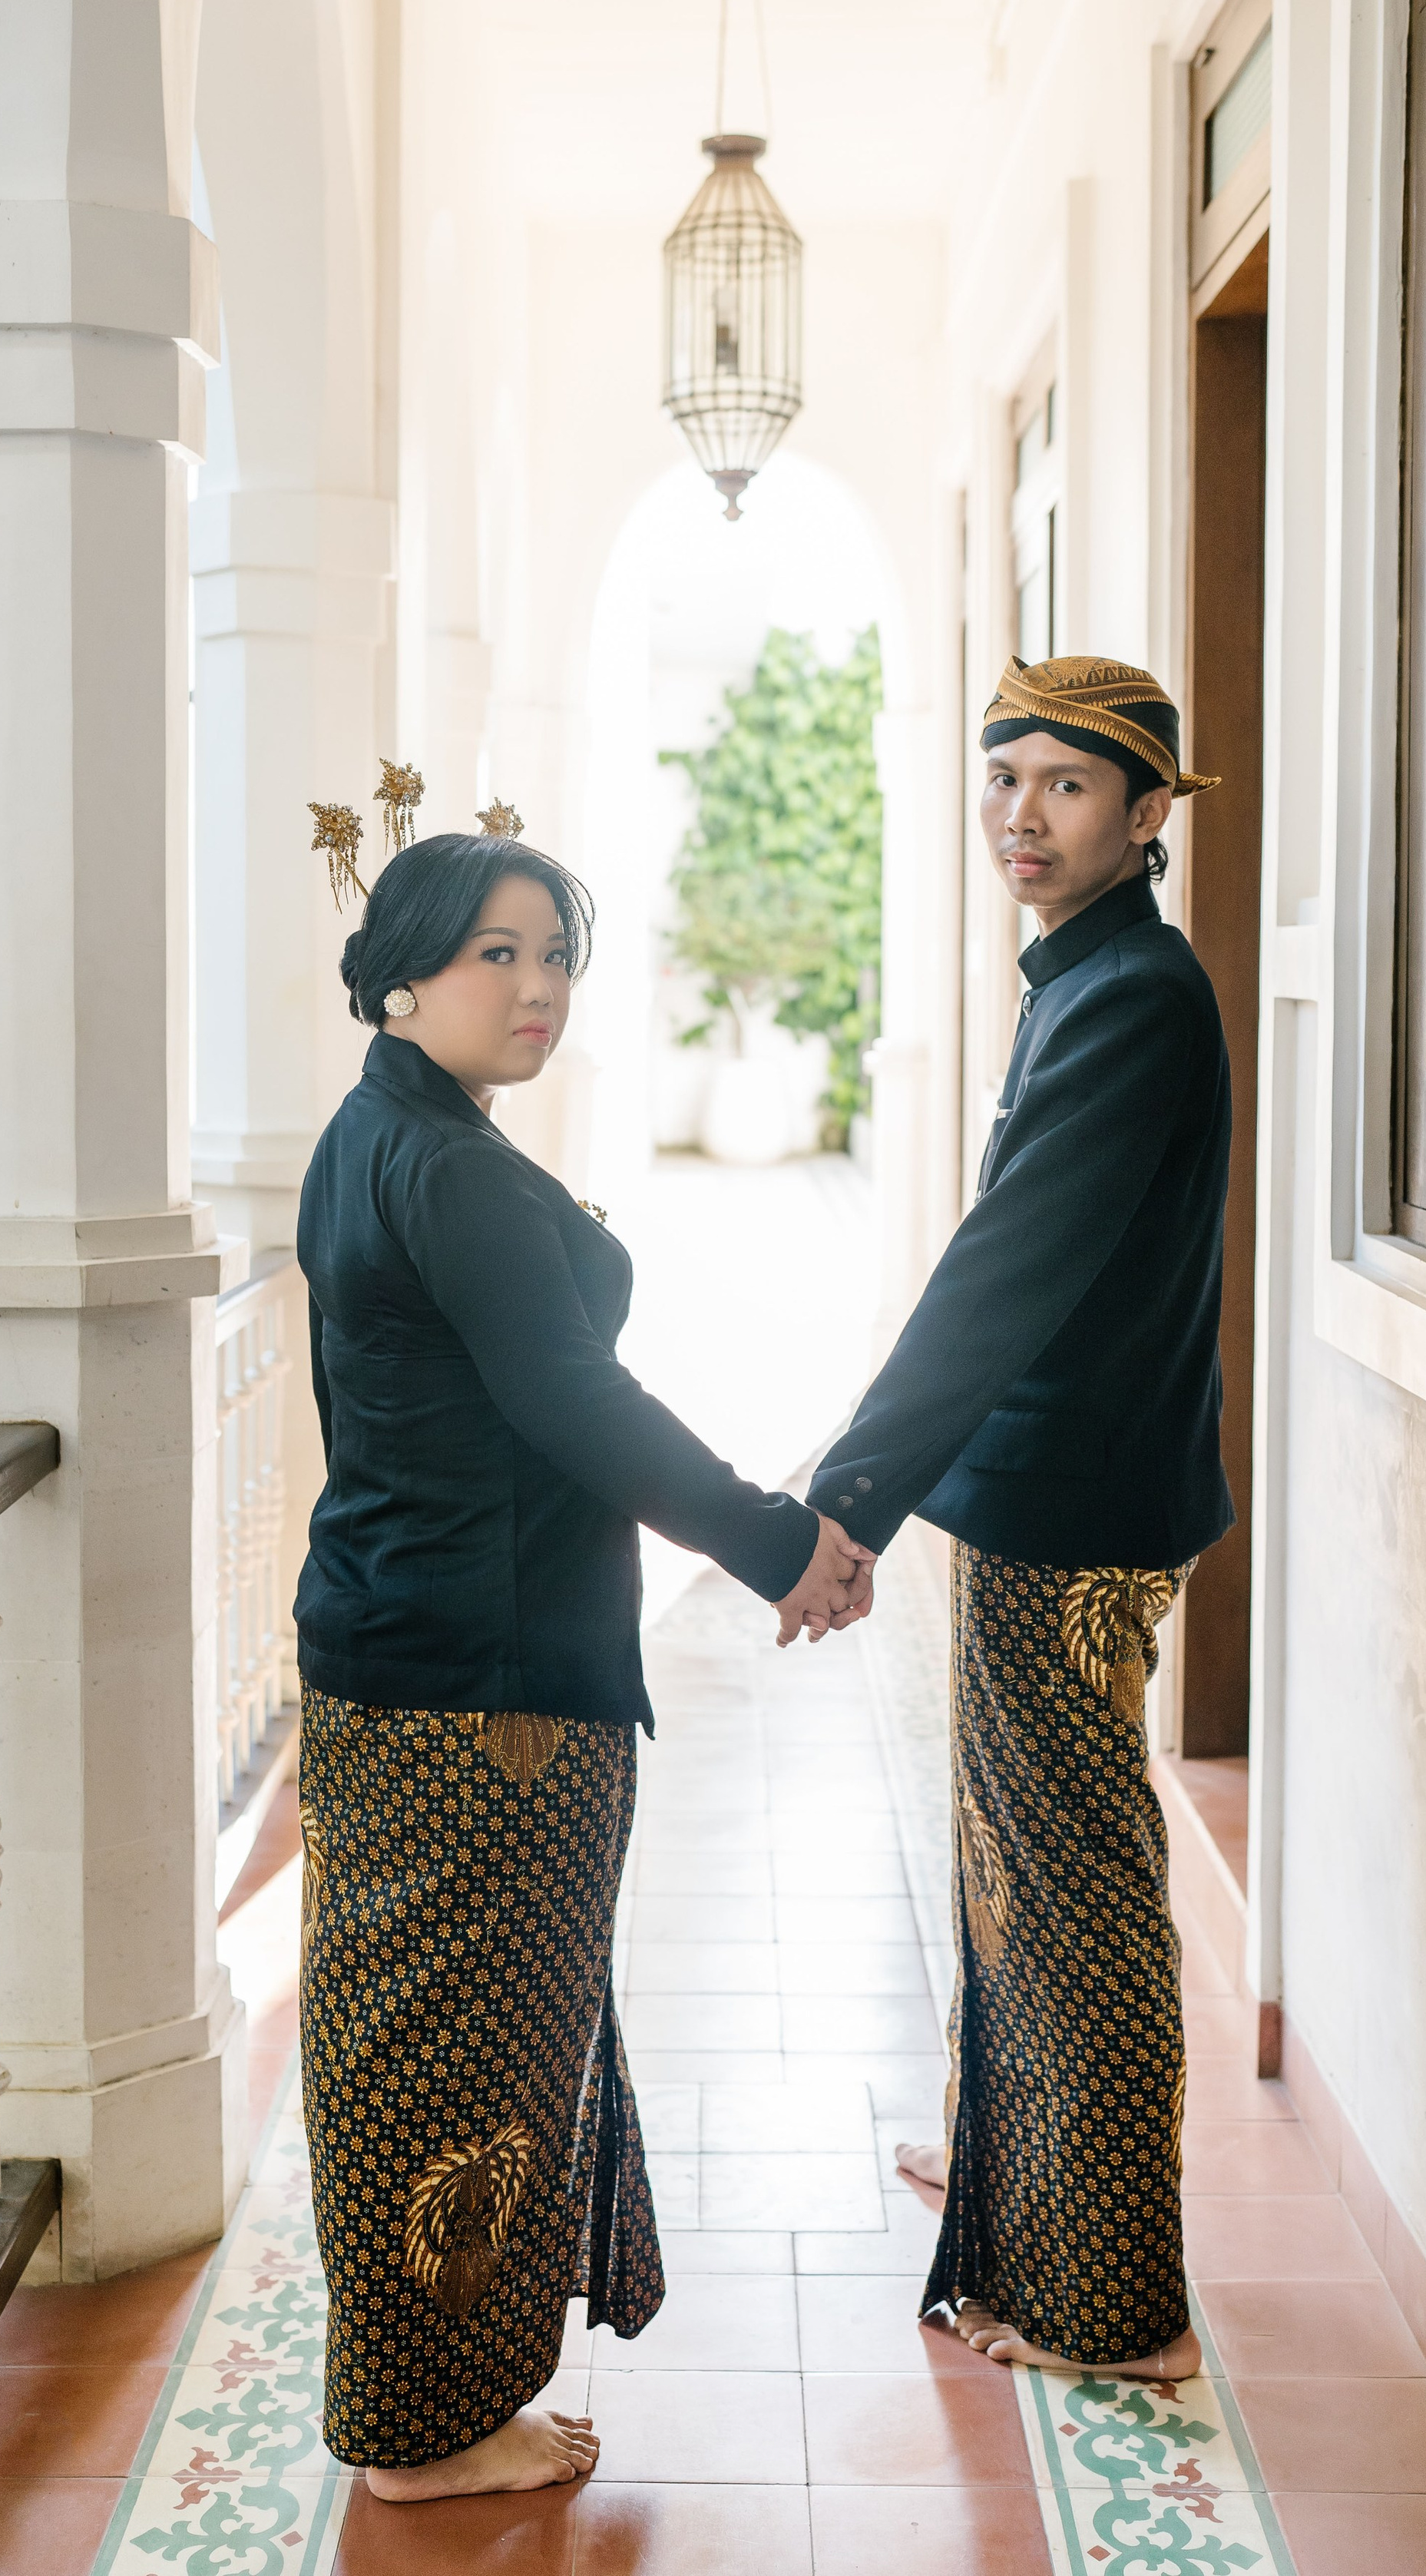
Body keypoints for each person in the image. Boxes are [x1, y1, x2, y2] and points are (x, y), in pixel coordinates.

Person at [293, 813, 872, 2506]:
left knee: (428, 2030)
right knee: (454, 2044)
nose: (537, 989)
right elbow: (577, 1407)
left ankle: (426, 2398)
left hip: (406, 1647)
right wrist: (782, 1542)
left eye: (557, 957)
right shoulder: (450, 1165)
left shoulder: (382, 1130)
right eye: (498, 954)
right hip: (480, 1686)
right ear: (402, 972)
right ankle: (422, 2429)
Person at [809, 653, 1232, 2380]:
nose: (1021, 815)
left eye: (1065, 786)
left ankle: (1116, 2305)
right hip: (1050, 1491)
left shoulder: (1129, 991)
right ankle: (1011, 2168)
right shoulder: (1080, 975)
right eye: (1004, 780)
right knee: (1014, 1853)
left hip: (1074, 1507)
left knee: (1071, 1881)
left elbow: (1002, 1274)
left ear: (1143, 818)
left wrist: (843, 1500)